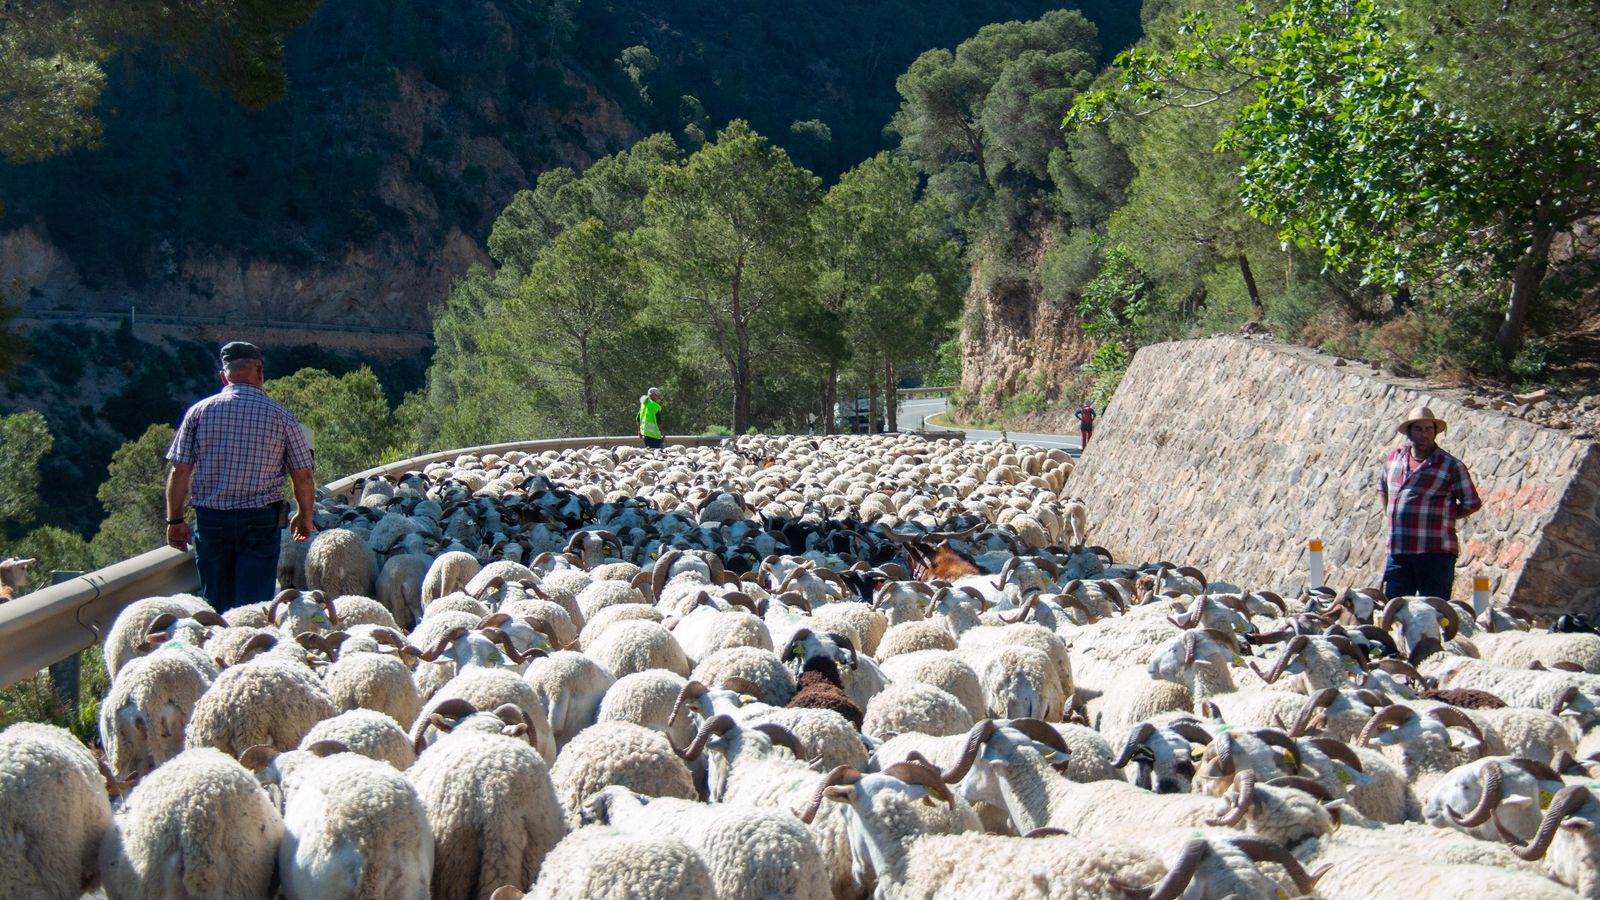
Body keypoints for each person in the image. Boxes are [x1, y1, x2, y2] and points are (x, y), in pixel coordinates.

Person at [164, 342, 316, 611]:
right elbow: (302, 476)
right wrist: (305, 516)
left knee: (216, 606)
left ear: (224, 377)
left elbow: (180, 471)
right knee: (253, 607)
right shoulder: (282, 417)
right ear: (260, 373)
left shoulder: (198, 412)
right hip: (259, 522)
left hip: (211, 522)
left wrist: (175, 520)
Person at [1378, 406, 1481, 600]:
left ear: (1435, 432)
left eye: (1429, 429)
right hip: (1399, 549)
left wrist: (1444, 517)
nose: (1424, 434)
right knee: (1394, 607)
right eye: (1418, 429)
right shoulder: (1394, 459)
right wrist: (1389, 514)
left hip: (1435, 552)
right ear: (1409, 432)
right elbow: (1382, 488)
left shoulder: (1450, 465)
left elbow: (1472, 502)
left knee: (1434, 608)